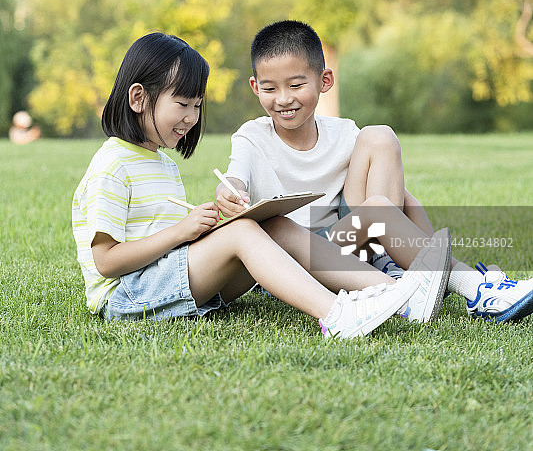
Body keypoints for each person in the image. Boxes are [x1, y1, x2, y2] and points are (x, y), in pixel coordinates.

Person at [72, 31, 452, 340]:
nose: (191, 117)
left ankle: (394, 291)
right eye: (183, 104)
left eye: (197, 106)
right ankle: (339, 313)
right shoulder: (113, 164)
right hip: (129, 294)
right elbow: (106, 261)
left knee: (270, 225)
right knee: (241, 234)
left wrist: (197, 232)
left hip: (168, 277)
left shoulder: (159, 162)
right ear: (139, 98)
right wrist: (180, 233)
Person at [216, 20, 533, 324]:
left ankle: (410, 273)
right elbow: (234, 177)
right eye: (270, 88)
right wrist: (229, 191)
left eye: (296, 85)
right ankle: (472, 287)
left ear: (325, 80)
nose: (284, 99)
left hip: (348, 243)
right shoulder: (251, 136)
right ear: (255, 87)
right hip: (297, 258)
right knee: (382, 209)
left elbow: (391, 197)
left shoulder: (342, 133)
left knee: (381, 139)